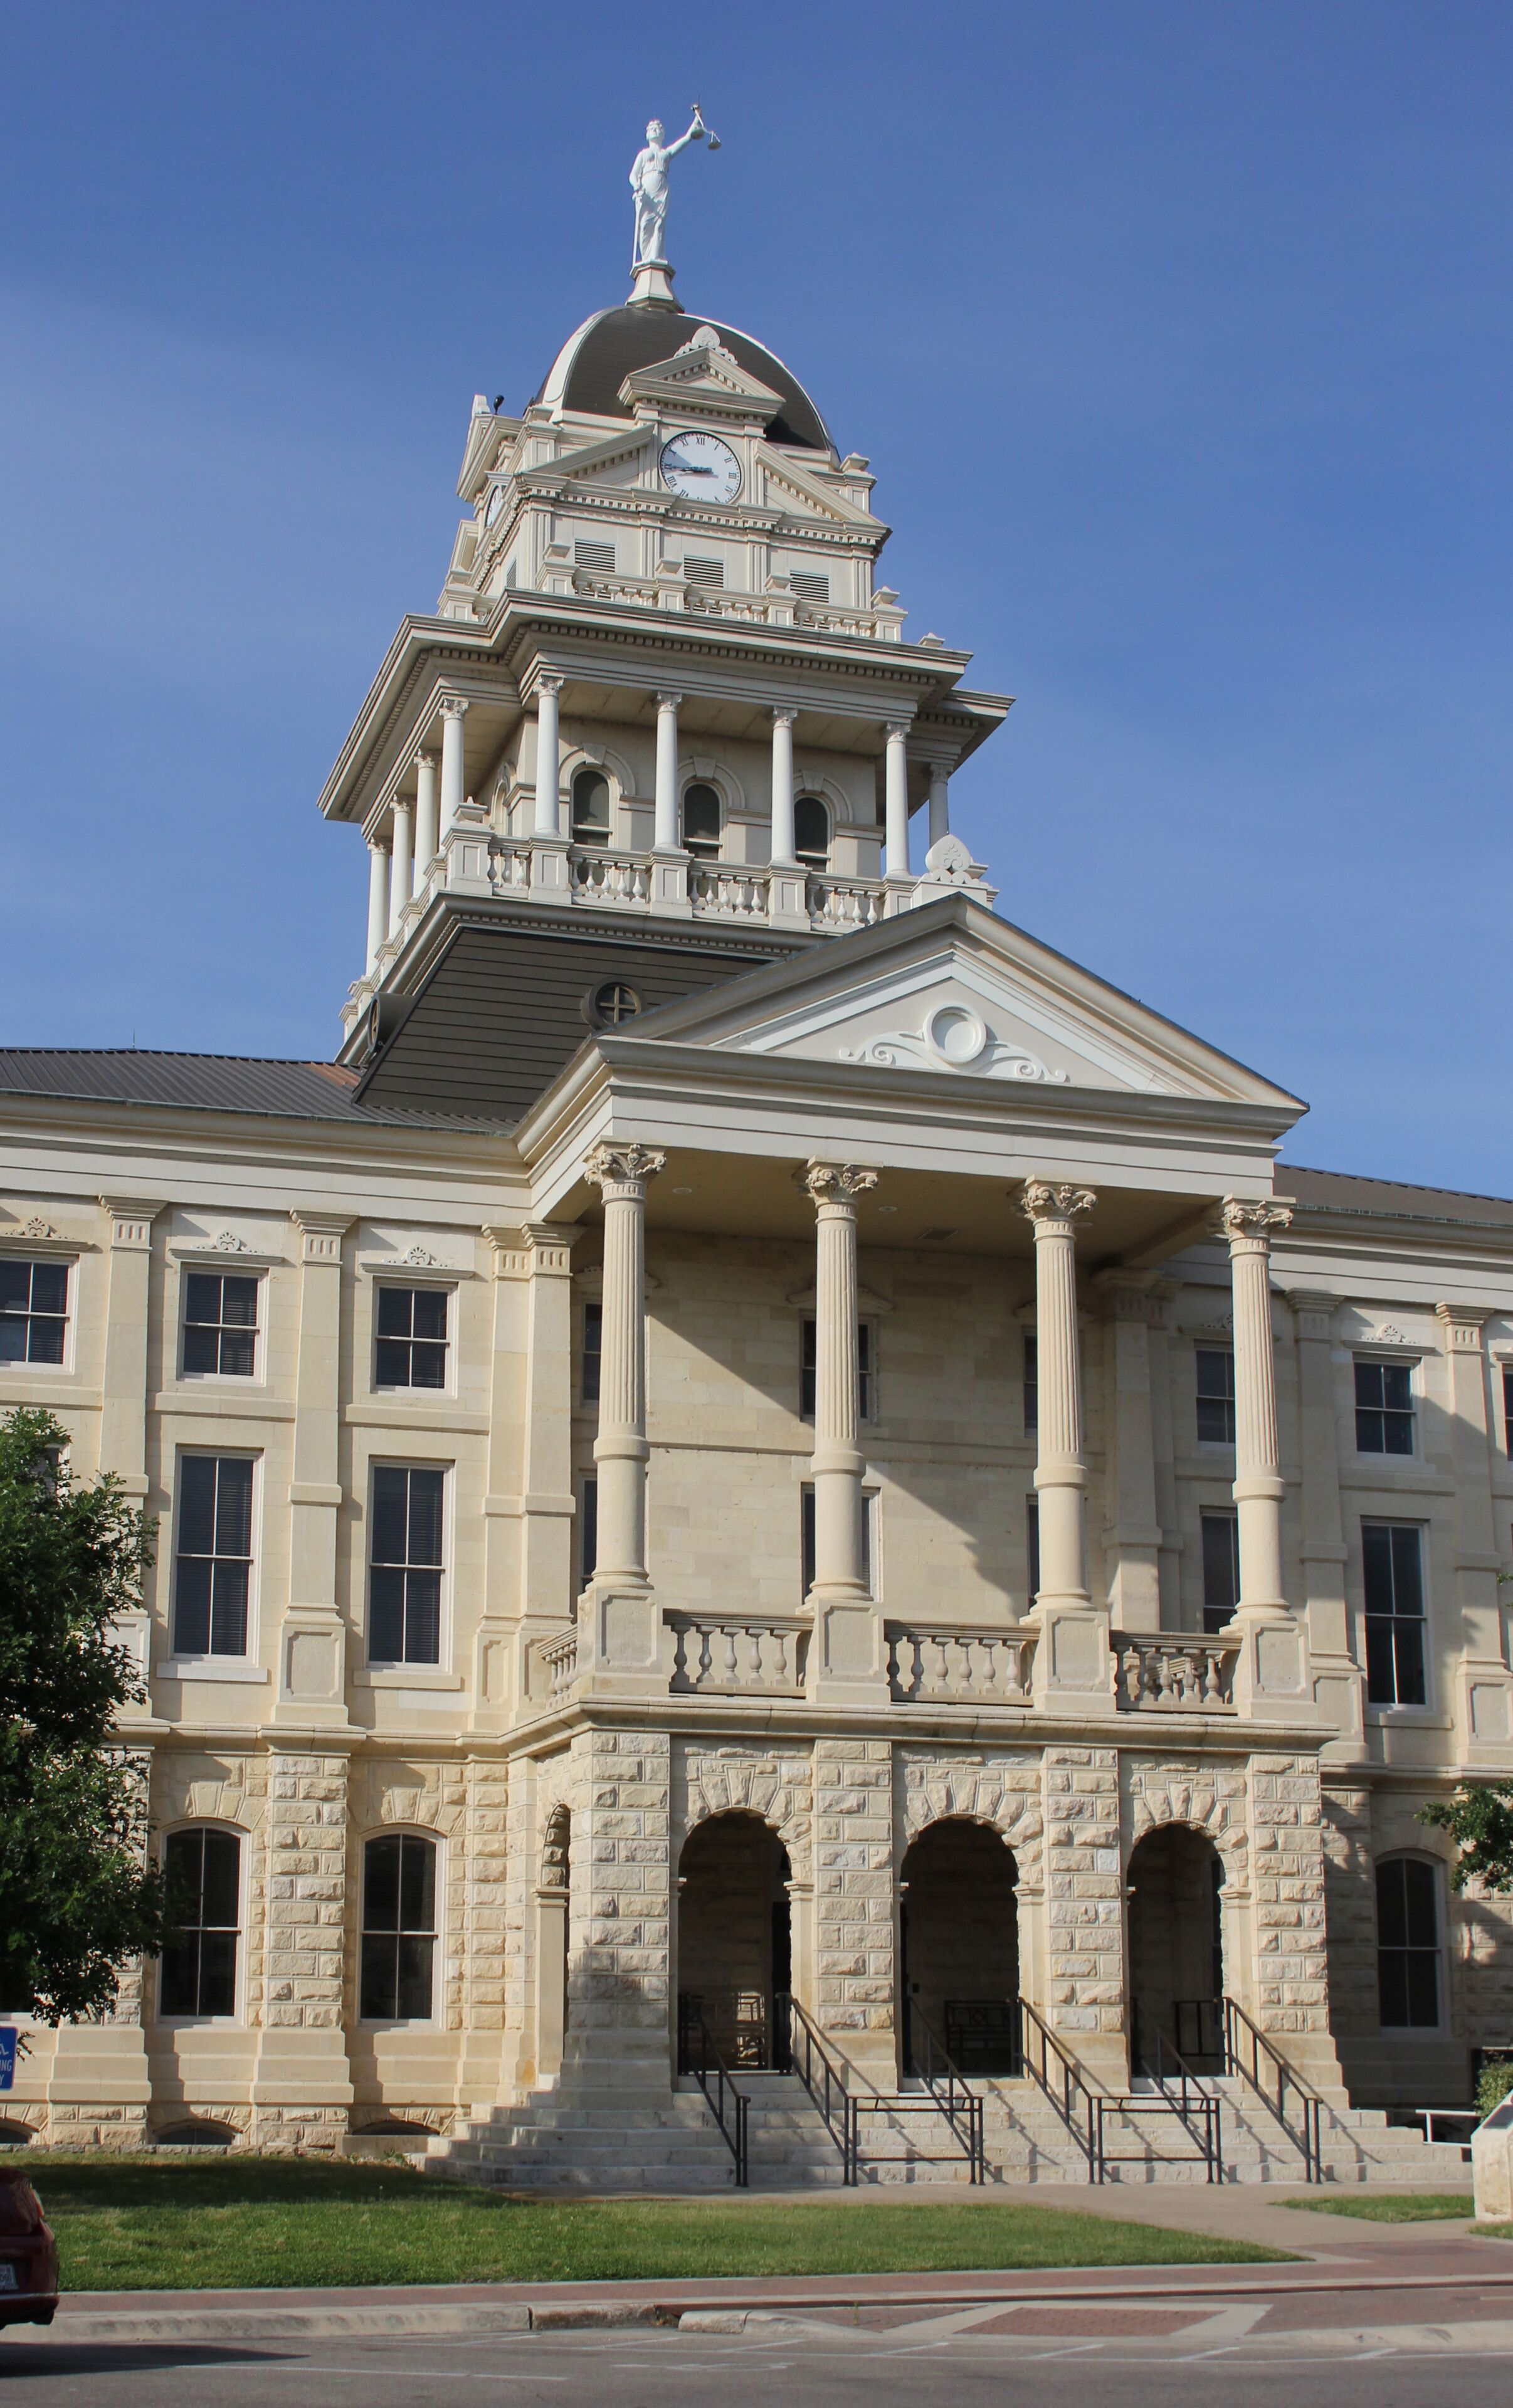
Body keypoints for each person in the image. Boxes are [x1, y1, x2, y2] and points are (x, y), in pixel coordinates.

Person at [630, 114, 707, 268]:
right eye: (652, 129)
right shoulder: (644, 154)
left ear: (663, 134)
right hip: (646, 192)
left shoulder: (665, 154)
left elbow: (686, 138)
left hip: (662, 190)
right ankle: (647, 258)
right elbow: (633, 175)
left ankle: (656, 257)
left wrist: (696, 122)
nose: (655, 130)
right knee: (645, 225)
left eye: (658, 128)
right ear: (647, 134)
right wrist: (637, 188)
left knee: (659, 225)